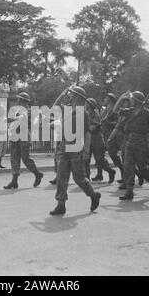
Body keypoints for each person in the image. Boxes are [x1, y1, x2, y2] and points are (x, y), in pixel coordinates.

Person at [49, 86, 101, 215]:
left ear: (78, 97)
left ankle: (93, 195)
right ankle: (61, 204)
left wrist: (86, 151)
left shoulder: (82, 113)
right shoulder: (67, 109)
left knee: (79, 178)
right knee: (62, 176)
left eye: (72, 94)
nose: (69, 96)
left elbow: (87, 133)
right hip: (64, 146)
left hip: (76, 148)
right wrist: (62, 94)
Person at [116, 91, 149, 200]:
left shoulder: (147, 113)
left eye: (132, 99)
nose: (131, 100)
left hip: (142, 142)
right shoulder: (130, 111)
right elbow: (115, 111)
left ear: (137, 101)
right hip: (130, 142)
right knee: (128, 167)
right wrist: (121, 98)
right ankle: (129, 191)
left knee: (142, 169)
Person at [3, 92, 44, 189]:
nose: (17, 100)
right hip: (15, 136)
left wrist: (11, 119)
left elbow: (21, 118)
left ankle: (37, 174)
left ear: (21, 100)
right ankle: (14, 181)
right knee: (14, 158)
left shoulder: (28, 111)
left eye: (18, 99)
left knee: (25, 159)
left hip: (23, 136)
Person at [85, 98, 116, 182]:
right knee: (86, 159)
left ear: (91, 105)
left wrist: (85, 128)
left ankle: (111, 171)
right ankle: (87, 177)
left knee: (100, 160)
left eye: (87, 103)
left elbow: (93, 127)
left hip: (97, 139)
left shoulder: (95, 114)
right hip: (89, 139)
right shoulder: (86, 113)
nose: (85, 104)